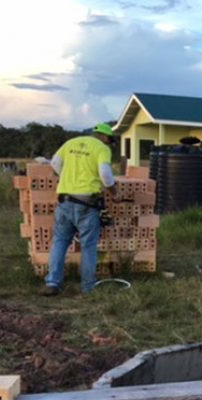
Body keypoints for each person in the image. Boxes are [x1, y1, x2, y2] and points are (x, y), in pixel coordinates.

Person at [41, 123, 119, 296]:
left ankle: (53, 282)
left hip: (65, 201)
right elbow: (105, 174)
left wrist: (67, 177)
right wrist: (114, 192)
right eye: (110, 140)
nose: (109, 144)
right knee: (88, 245)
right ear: (105, 137)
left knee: (60, 242)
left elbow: (54, 163)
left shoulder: (71, 143)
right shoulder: (102, 148)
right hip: (87, 204)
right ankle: (88, 287)